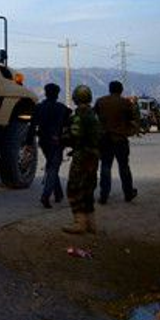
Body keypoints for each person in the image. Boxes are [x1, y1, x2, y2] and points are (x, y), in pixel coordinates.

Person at [62, 85, 102, 234]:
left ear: (76, 98)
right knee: (88, 188)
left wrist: (62, 137)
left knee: (74, 188)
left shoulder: (79, 116)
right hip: (94, 155)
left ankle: (79, 223)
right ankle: (91, 223)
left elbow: (73, 136)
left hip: (82, 155)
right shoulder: (94, 115)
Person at [94, 81, 137, 204]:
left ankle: (104, 196)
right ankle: (128, 193)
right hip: (120, 139)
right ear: (121, 90)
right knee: (124, 167)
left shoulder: (100, 101)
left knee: (105, 167)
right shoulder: (125, 103)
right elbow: (132, 119)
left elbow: (93, 115)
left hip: (105, 139)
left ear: (109, 89)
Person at [30, 83, 72, 208]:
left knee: (52, 166)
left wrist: (27, 143)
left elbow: (32, 126)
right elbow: (68, 126)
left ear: (45, 93)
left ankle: (58, 194)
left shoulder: (39, 107)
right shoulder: (62, 109)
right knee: (53, 168)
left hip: (44, 142)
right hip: (57, 142)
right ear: (57, 94)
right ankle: (46, 195)